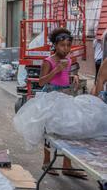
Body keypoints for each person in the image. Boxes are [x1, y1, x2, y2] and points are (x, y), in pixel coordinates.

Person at [37, 27, 86, 179]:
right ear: (55, 46)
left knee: (69, 129)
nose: (65, 49)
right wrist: (56, 69)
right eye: (62, 45)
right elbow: (41, 82)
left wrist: (74, 77)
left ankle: (67, 164)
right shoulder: (48, 61)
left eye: (68, 46)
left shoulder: (69, 60)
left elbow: (66, 76)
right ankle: (46, 161)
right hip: (50, 97)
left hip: (65, 96)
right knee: (49, 129)